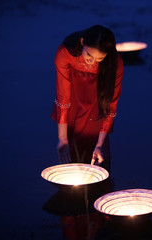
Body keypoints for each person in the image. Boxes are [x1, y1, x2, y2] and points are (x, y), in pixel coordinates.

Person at [51, 25, 123, 172]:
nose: (93, 62)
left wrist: (100, 144)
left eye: (100, 58)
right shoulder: (65, 52)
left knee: (98, 160)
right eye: (89, 55)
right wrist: (62, 137)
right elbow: (63, 95)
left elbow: (111, 105)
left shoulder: (115, 63)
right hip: (73, 100)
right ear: (82, 41)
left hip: (98, 102)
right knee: (71, 153)